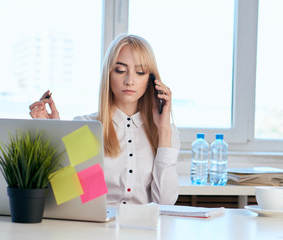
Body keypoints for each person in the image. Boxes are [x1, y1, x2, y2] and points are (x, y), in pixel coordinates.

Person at [29, 34, 180, 206]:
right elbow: (67, 197)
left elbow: (166, 202)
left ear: (150, 80)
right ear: (108, 75)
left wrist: (164, 130)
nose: (129, 80)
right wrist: (52, 133)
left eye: (140, 72)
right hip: (97, 229)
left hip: (143, 230)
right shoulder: (86, 127)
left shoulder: (166, 132)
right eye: (120, 70)